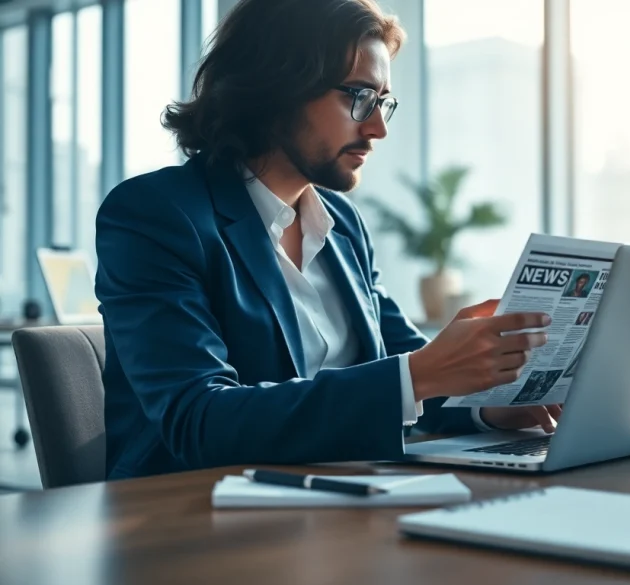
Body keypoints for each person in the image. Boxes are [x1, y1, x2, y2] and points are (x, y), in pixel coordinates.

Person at [95, 0, 560, 480]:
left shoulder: (342, 223)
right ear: (276, 87)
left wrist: (487, 407)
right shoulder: (155, 215)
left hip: (339, 505)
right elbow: (197, 422)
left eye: (383, 102)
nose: (377, 127)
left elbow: (401, 373)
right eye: (359, 96)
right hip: (189, 522)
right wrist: (423, 372)